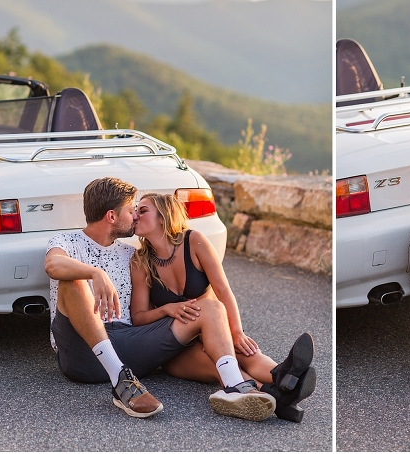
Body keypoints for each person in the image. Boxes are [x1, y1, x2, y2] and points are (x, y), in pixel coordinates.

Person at [44, 177, 298, 421]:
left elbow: (149, 312)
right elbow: (53, 265)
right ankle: (120, 380)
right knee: (72, 281)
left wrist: (218, 328)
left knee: (209, 307)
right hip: (81, 353)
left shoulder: (133, 255)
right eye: (131, 210)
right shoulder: (66, 242)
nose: (135, 216)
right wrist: (93, 273)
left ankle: (246, 388)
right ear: (112, 216)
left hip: (129, 343)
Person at [130, 192, 317, 422]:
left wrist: (236, 332)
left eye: (142, 210)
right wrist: (166, 309)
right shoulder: (141, 261)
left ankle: (283, 376)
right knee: (219, 365)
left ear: (163, 216)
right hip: (176, 349)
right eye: (135, 211)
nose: (135, 216)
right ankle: (283, 392)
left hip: (212, 329)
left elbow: (223, 290)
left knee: (244, 353)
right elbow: (138, 317)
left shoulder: (194, 241)